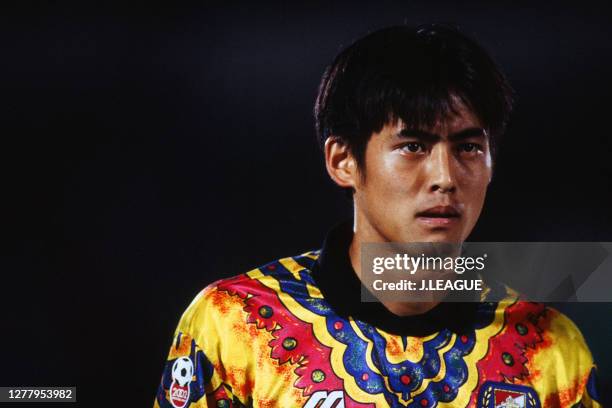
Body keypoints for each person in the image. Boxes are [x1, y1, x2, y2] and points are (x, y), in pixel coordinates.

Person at [154, 25, 601, 408]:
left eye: (468, 147)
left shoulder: (549, 349)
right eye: (413, 147)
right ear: (343, 161)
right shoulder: (234, 324)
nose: (445, 177)